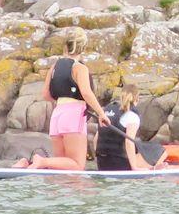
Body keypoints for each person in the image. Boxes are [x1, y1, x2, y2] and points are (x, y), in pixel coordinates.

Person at [13, 27, 111, 170]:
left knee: (62, 166)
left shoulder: (54, 67)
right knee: (77, 165)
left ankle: (26, 163)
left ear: (65, 46)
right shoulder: (79, 68)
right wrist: (101, 114)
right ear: (83, 47)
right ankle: (42, 162)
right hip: (73, 115)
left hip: (58, 114)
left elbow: (46, 95)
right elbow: (87, 93)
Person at [94, 84, 169, 171]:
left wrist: (98, 161)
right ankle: (149, 168)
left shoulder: (106, 112)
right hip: (119, 164)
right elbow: (129, 142)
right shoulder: (132, 116)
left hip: (102, 163)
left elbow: (96, 139)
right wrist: (134, 167)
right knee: (160, 151)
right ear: (137, 98)